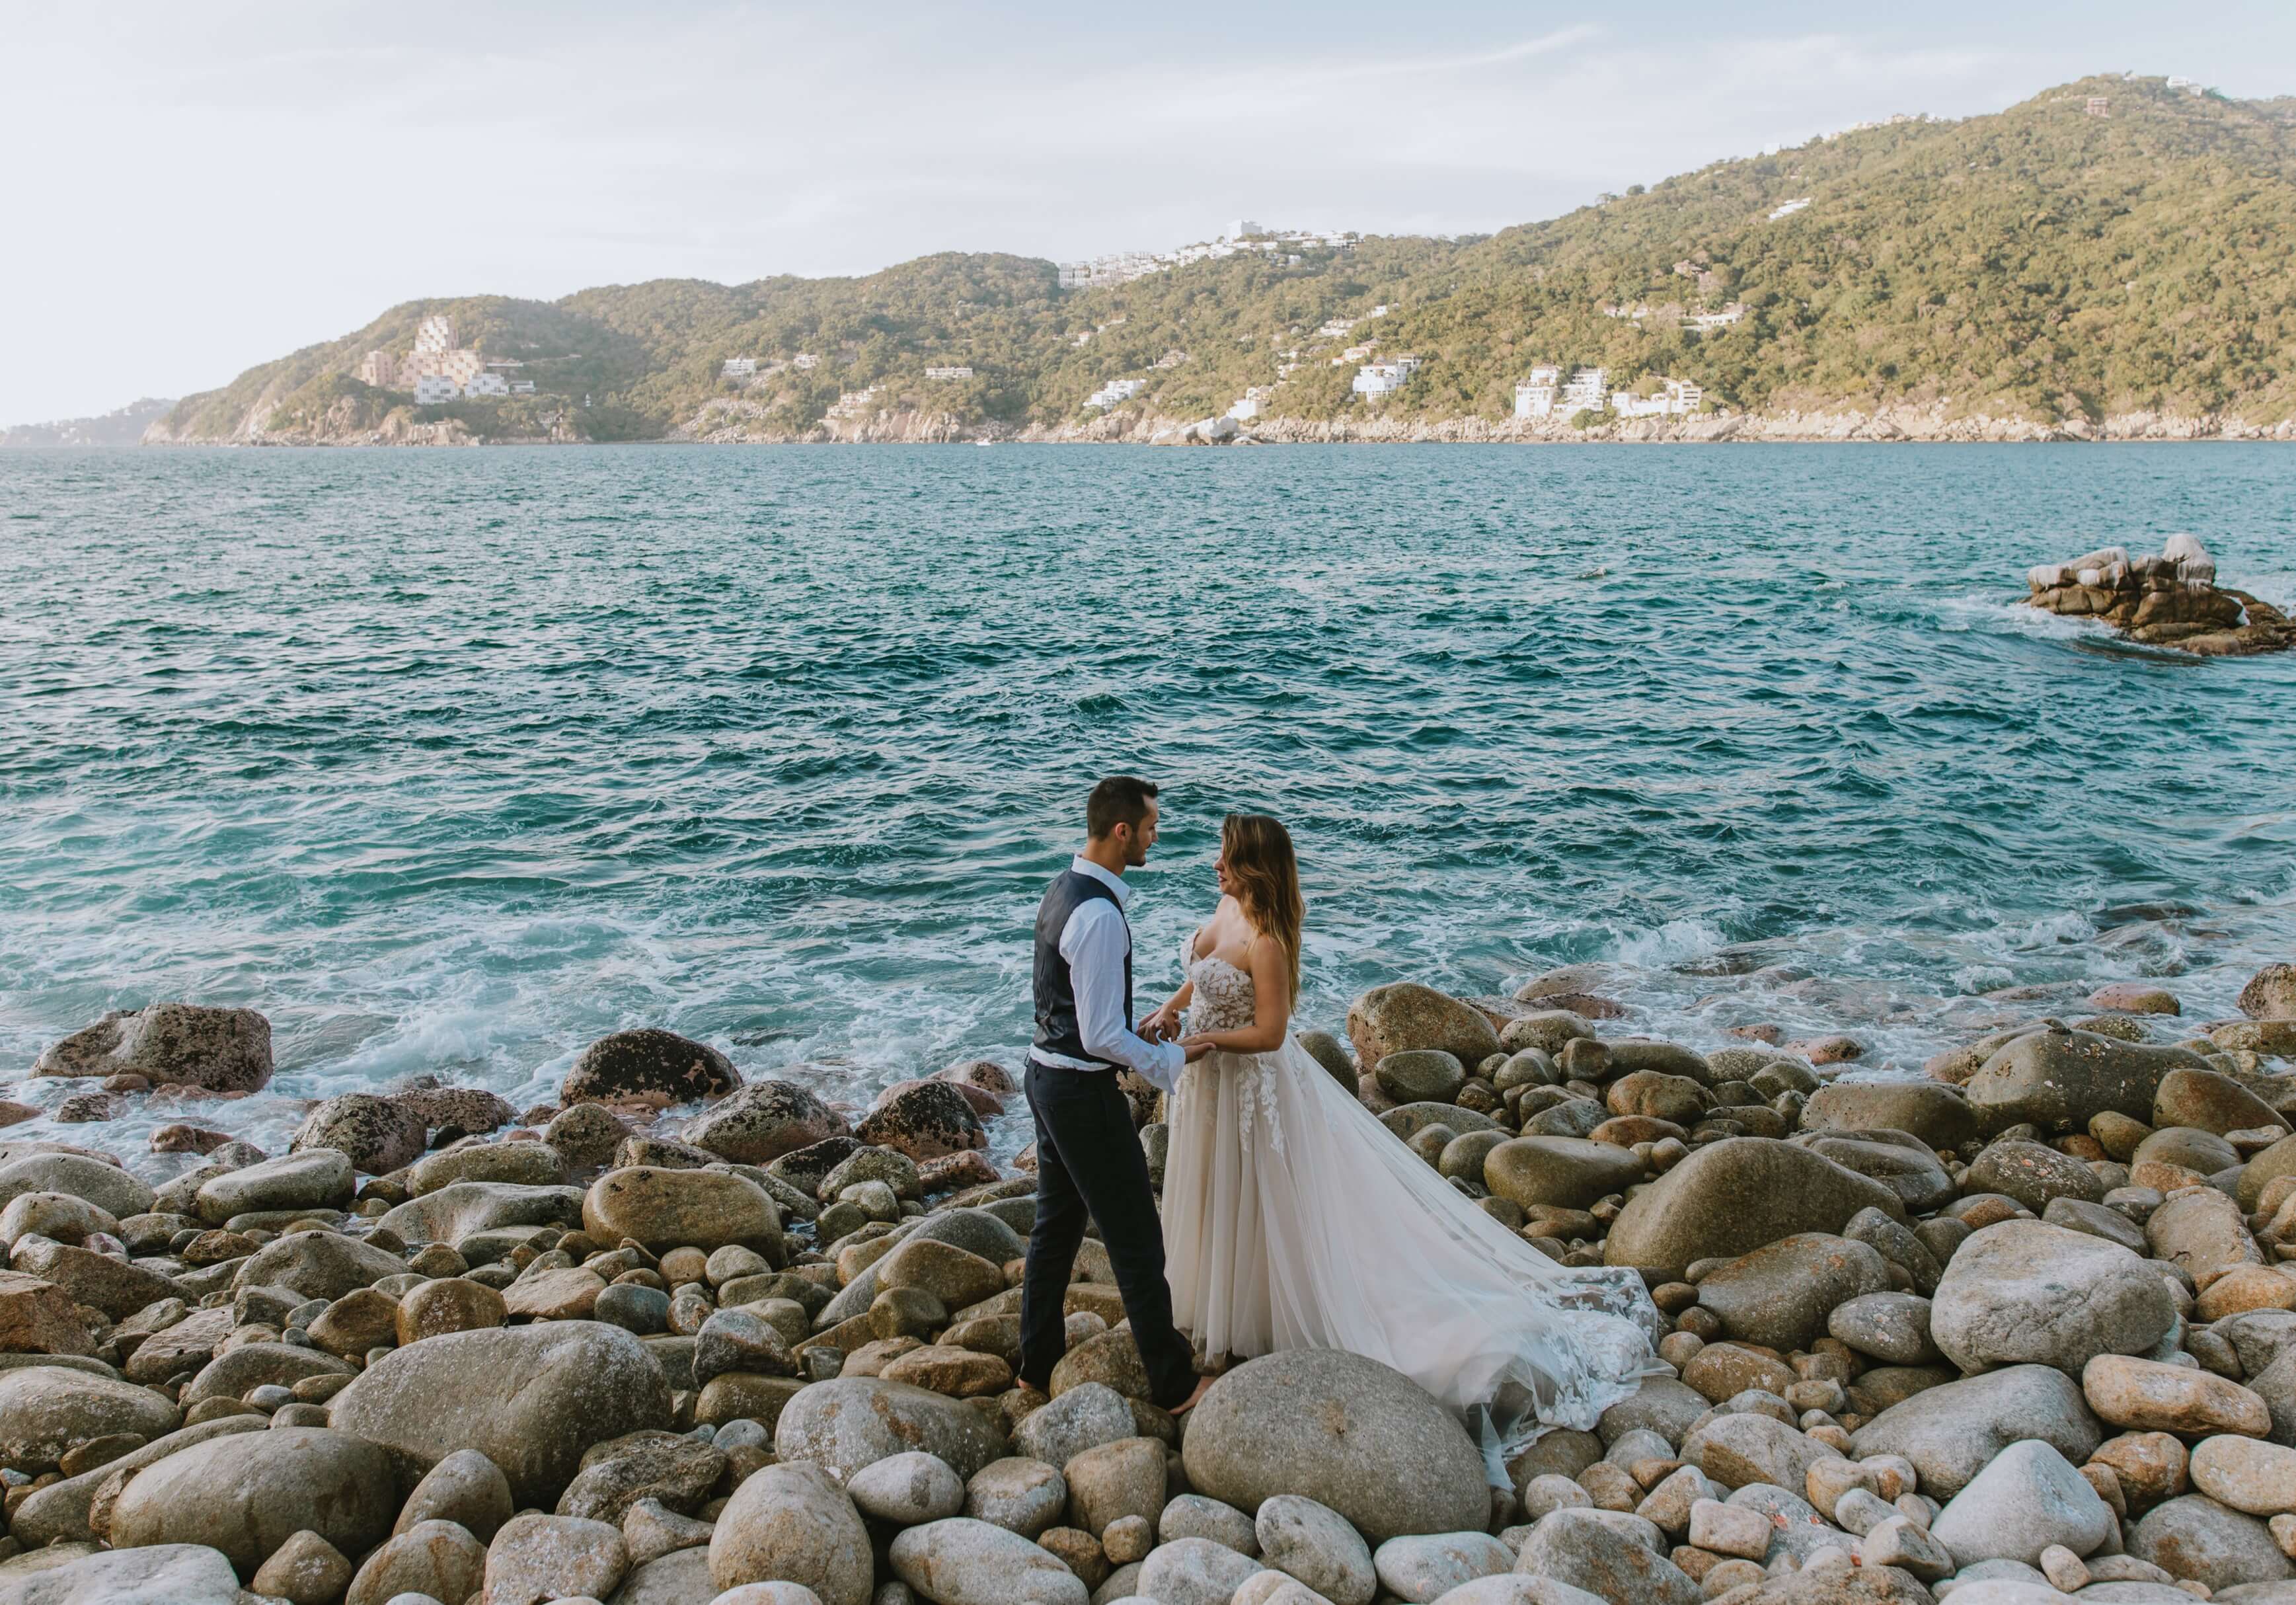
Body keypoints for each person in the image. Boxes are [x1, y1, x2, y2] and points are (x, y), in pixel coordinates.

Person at [1145, 812, 1662, 1478]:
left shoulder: (1270, 939)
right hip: (1213, 1087)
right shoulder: (1225, 906)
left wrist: (1200, 1043)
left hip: (1250, 1086)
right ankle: (1236, 1312)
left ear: (1253, 865)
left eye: (1226, 853)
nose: (1214, 861)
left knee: (1268, 1198)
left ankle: (1288, 1317)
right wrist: (1171, 1008)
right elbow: (1207, 968)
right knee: (1223, 1193)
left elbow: (1272, 1033)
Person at [1018, 775, 1213, 1414]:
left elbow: (1078, 1013)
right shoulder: (1100, 915)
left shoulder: (1062, 889)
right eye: (1152, 826)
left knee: (1057, 1226)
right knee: (1135, 1236)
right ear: (1122, 830)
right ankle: (1174, 1383)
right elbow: (1100, 1035)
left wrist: (1140, 1033)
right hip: (1079, 1091)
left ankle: (1035, 1361)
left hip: (1045, 1075)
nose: (1158, 836)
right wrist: (1168, 1056)